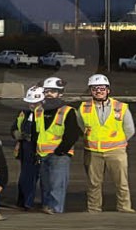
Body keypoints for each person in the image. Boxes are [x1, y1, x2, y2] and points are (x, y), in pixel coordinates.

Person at [78, 73, 136, 213]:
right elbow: (80, 127)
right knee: (94, 183)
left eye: (102, 88)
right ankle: (94, 208)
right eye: (95, 89)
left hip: (116, 152)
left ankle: (124, 207)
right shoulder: (83, 108)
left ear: (108, 90)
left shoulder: (121, 107)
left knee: (121, 182)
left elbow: (130, 130)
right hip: (92, 152)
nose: (99, 91)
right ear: (91, 91)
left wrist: (116, 143)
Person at [37, 78, 81, 214]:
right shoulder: (38, 110)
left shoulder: (68, 111)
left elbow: (73, 134)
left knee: (57, 185)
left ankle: (56, 210)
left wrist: (60, 151)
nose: (49, 94)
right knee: (45, 185)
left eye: (53, 91)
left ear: (60, 93)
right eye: (47, 91)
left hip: (60, 155)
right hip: (41, 154)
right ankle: (46, 207)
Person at [10, 86, 42, 211]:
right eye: (30, 102)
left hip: (37, 148)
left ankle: (29, 202)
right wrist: (16, 133)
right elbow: (14, 127)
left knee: (33, 177)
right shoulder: (24, 113)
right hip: (25, 148)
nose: (32, 105)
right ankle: (22, 201)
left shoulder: (44, 114)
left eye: (35, 102)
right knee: (24, 177)